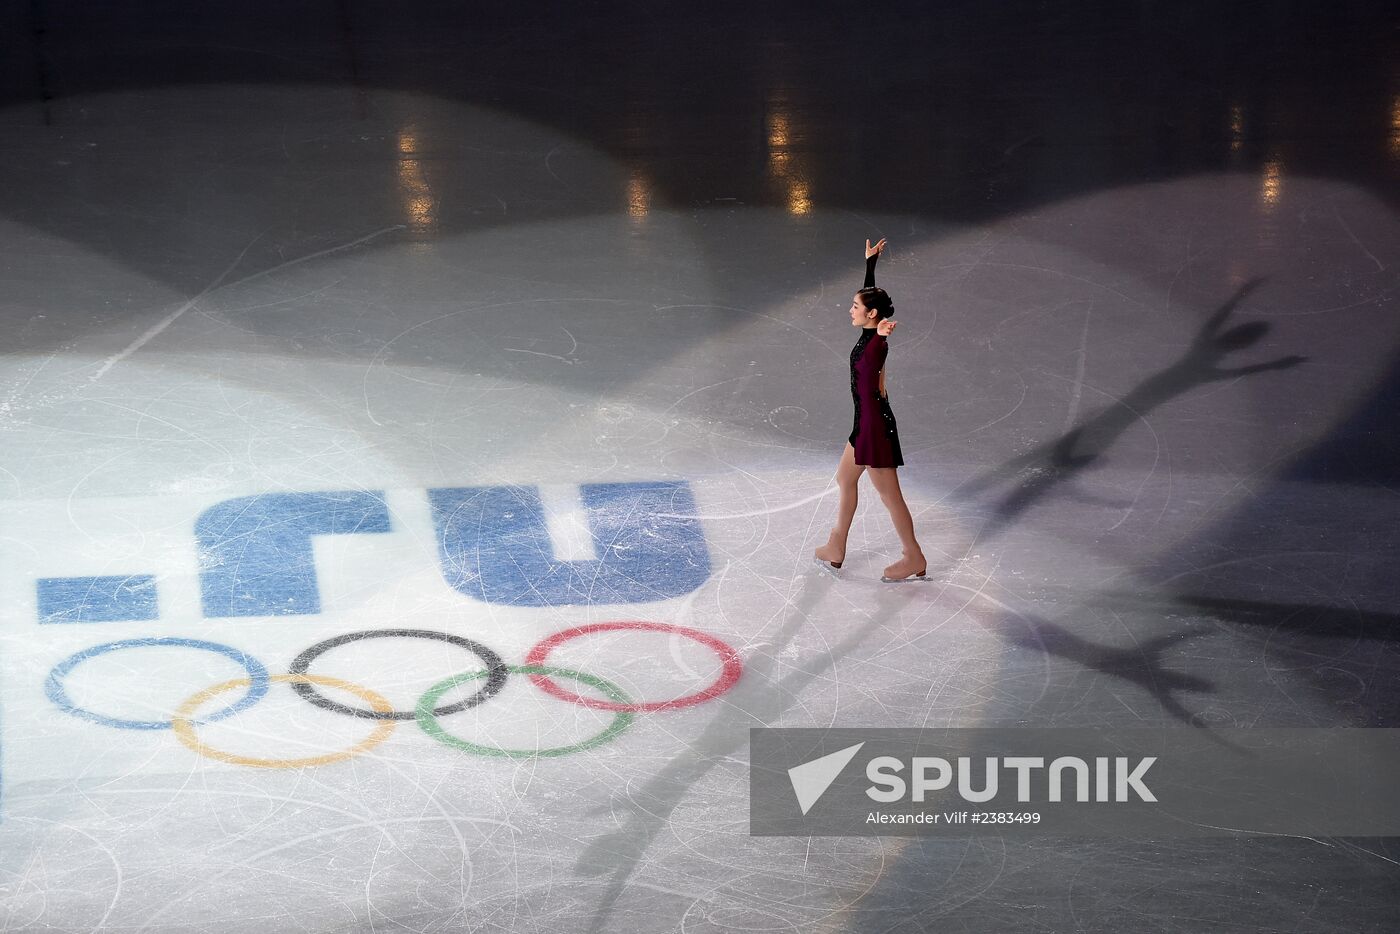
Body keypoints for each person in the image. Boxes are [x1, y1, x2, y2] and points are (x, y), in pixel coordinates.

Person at [814, 238, 927, 582]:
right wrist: (870, 265)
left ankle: (913, 557)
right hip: (863, 425)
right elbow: (870, 303)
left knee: (890, 496)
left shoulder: (875, 342)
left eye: (855, 305)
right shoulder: (867, 330)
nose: (850, 309)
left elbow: (879, 334)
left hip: (874, 429)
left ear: (872, 315)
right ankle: (836, 547)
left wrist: (882, 334)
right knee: (845, 479)